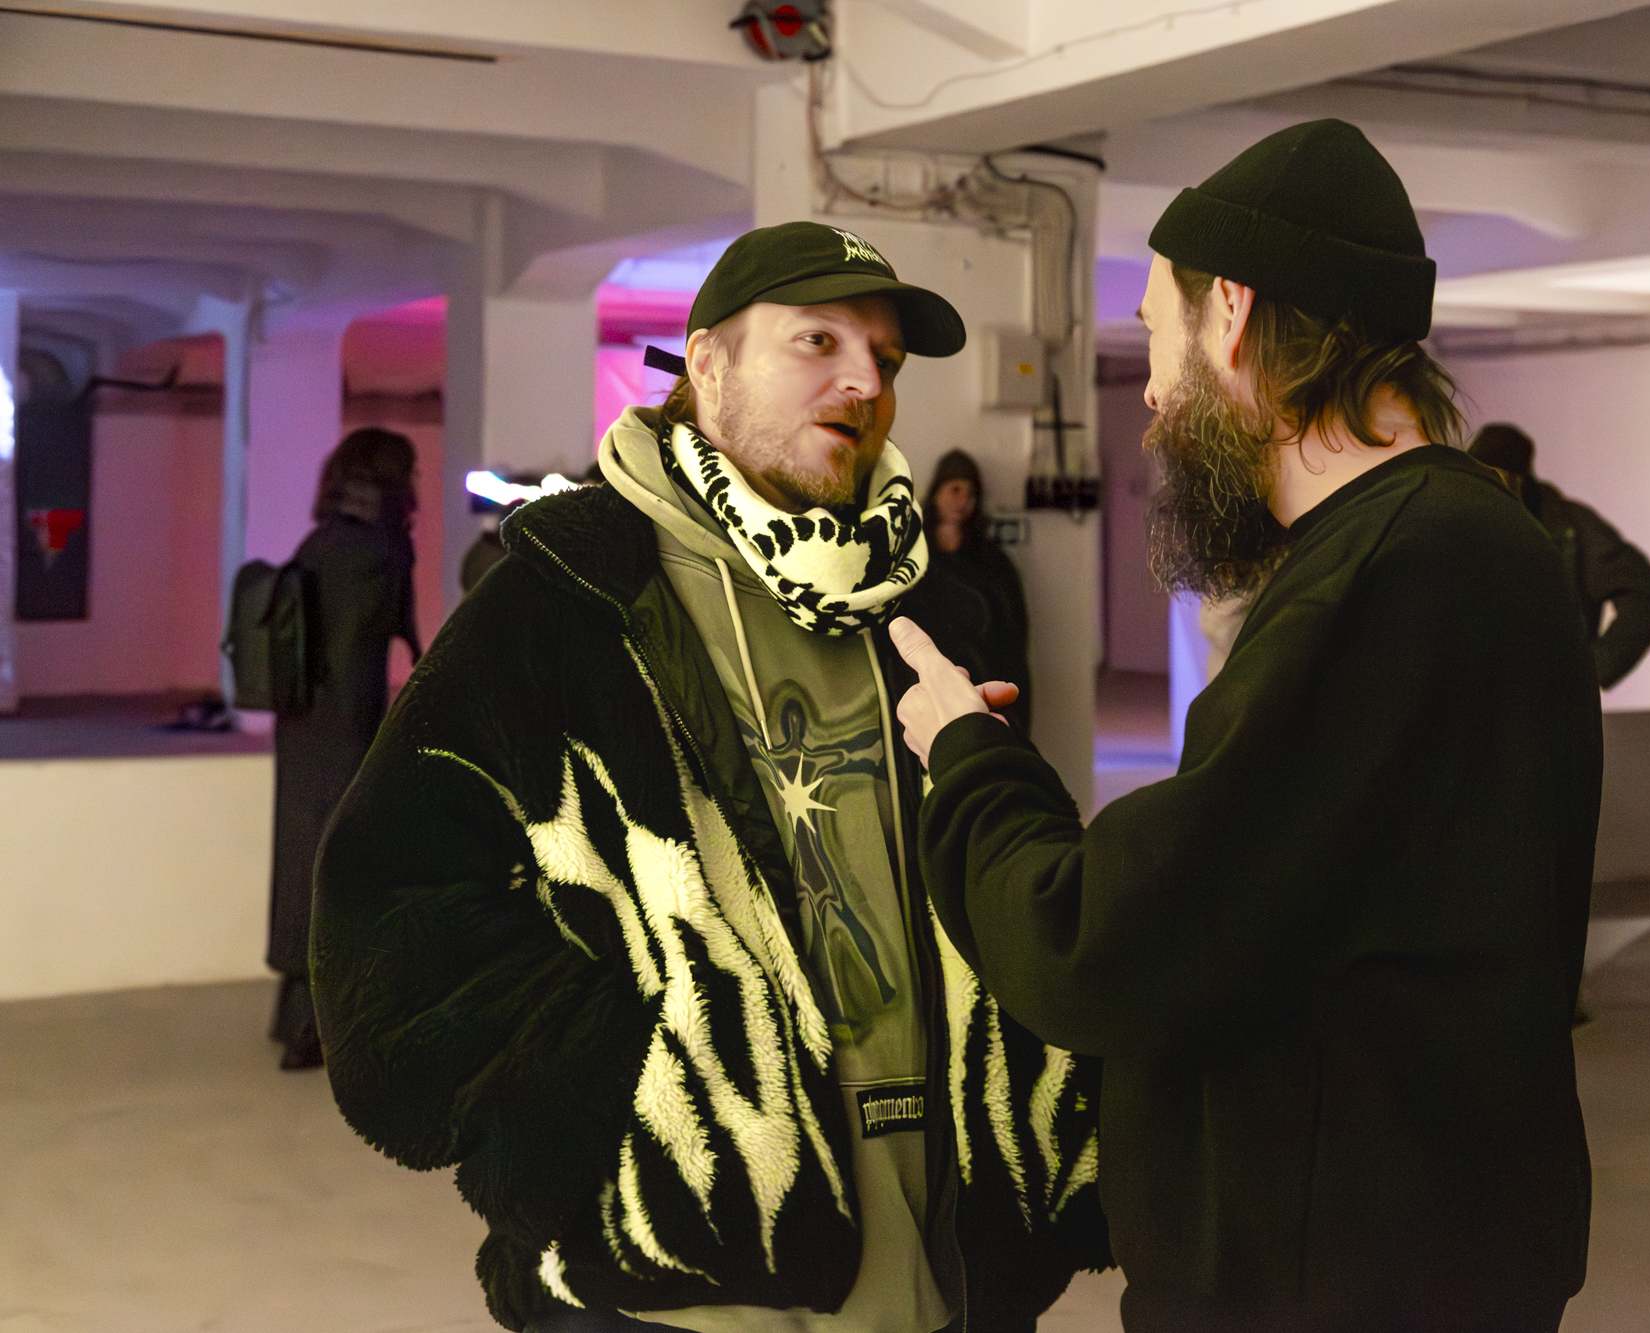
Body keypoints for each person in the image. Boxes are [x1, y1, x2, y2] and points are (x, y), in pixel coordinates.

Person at [310, 221, 1108, 1333]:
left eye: (883, 358)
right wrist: (622, 1096)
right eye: (816, 340)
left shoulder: (923, 607)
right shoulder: (565, 596)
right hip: (678, 1289)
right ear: (708, 362)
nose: (862, 380)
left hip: (944, 1272)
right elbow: (389, 913)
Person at [890, 119, 1601, 1333]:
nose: (1150, 397)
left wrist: (966, 761)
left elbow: (1111, 940)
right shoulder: (1464, 541)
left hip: (1335, 1282)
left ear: (1230, 311)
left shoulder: (1387, 574)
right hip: (1413, 1253)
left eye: (1153, 339)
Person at [267, 426, 420, 1071]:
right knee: (343, 872)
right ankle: (324, 1030)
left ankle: (295, 1019)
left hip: (304, 728)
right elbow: (363, 652)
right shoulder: (373, 552)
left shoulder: (322, 541)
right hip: (347, 731)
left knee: (303, 865)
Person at [1467, 422, 1650, 689]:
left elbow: (1645, 592)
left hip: (1545, 701)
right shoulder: (1455, 526)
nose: (1488, 490)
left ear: (1520, 480)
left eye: (1496, 478)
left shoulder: (1571, 527)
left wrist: (1590, 670)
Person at [901, 450, 1032, 736]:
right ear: (936, 492)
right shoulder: (909, 558)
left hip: (980, 683)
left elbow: (1012, 637)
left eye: (971, 494)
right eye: (955, 489)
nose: (962, 500)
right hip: (923, 684)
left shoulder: (993, 563)